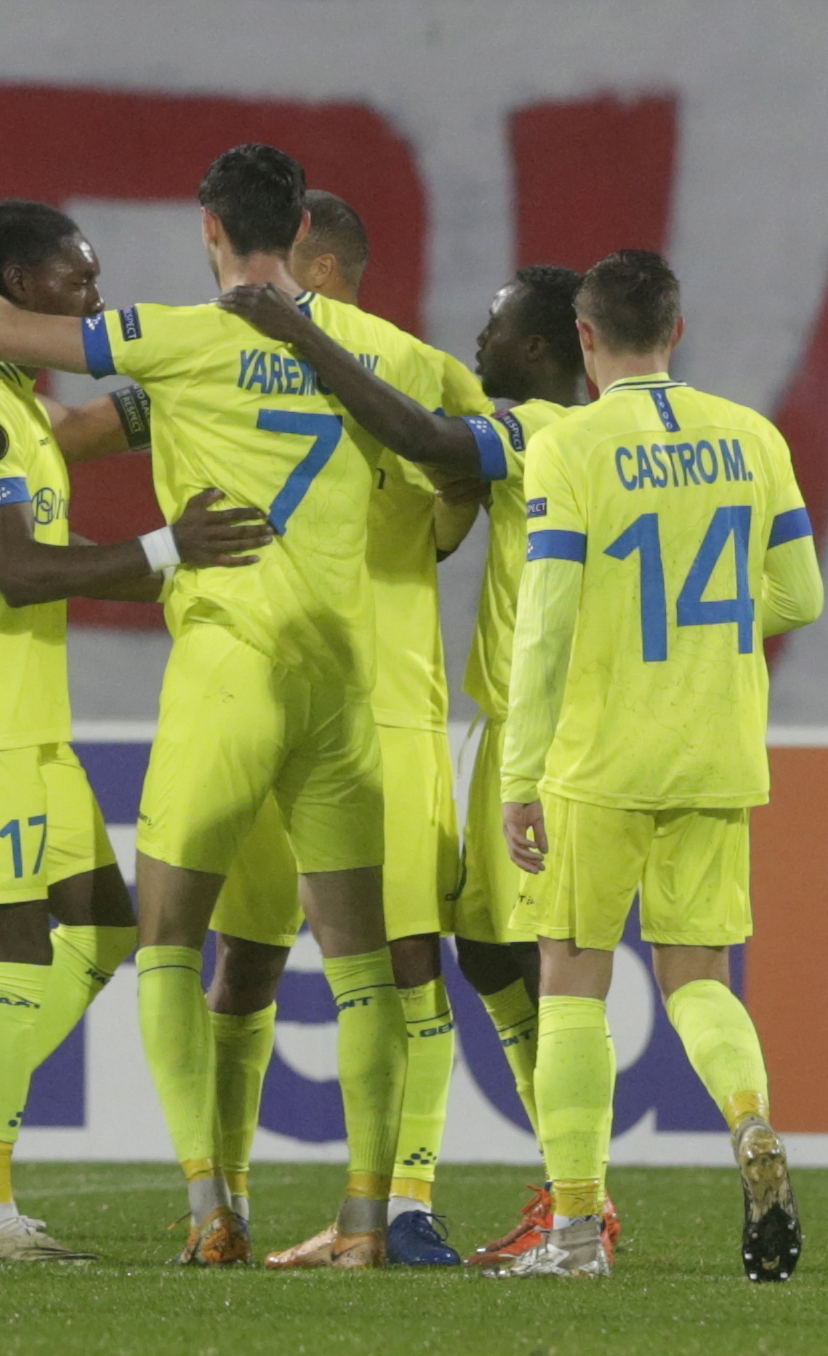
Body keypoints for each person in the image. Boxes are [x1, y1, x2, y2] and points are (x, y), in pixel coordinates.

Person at [0, 143, 465, 1268]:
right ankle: (373, 1216)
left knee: (169, 945)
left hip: (226, 674)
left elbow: (17, 357)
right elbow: (467, 459)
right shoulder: (401, 362)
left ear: (208, 230)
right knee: (364, 965)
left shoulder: (172, 340)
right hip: (347, 689)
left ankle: (208, 1210)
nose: (90, 285)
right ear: (315, 238)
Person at [0, 199, 274, 1262]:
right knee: (11, 954)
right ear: (8, 287)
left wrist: (178, 561)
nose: (92, 297)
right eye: (73, 279)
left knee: (98, 933)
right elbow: (17, 570)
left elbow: (57, 548)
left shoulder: (4, 395)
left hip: (17, 709)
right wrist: (167, 552)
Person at [218, 264, 611, 1267]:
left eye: (492, 325)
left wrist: (304, 341)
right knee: (486, 953)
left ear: (535, 347)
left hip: (522, 734)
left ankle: (496, 1206)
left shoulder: (528, 430)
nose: (474, 343)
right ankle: (546, 1198)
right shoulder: (607, 440)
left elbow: (432, 444)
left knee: (461, 962)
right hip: (536, 728)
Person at [498, 250, 817, 1280]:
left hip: (601, 756)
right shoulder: (753, 437)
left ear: (584, 338)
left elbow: (544, 628)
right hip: (716, 751)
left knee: (572, 983)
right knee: (699, 978)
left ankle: (577, 1231)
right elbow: (799, 595)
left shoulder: (572, 448)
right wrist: (705, 641)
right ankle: (750, 1121)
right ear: (676, 331)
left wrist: (517, 776)